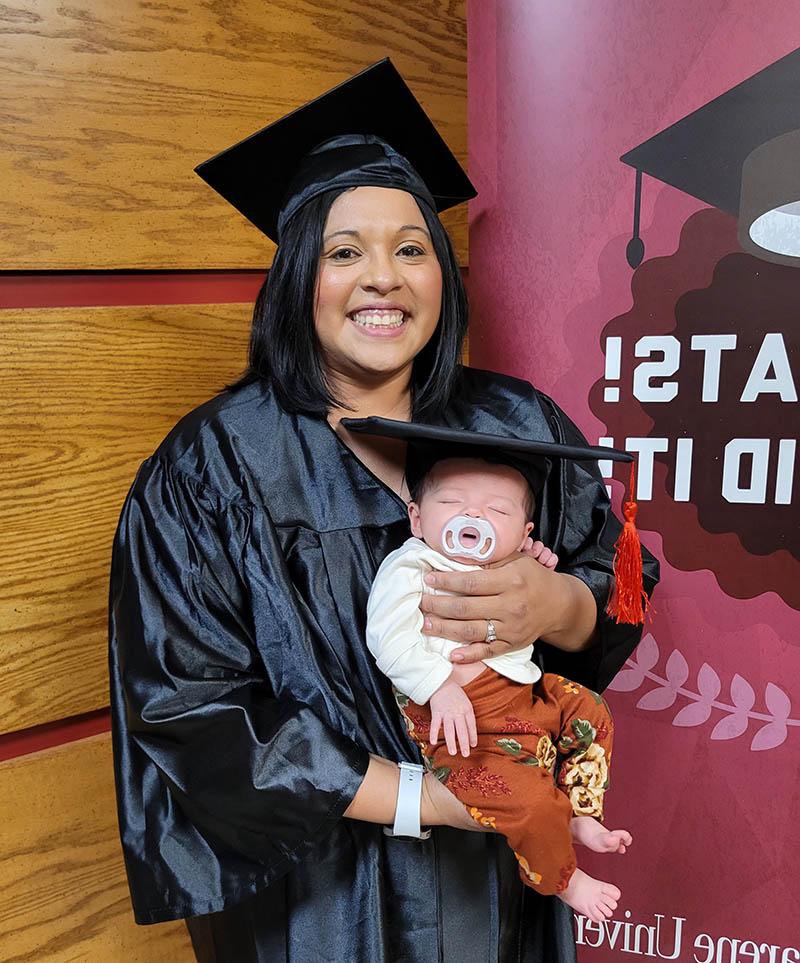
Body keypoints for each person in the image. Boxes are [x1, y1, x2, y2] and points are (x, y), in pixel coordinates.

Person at [108, 60, 659, 963]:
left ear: (441, 273)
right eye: (344, 251)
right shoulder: (213, 465)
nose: (384, 278)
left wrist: (558, 605)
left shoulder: (517, 425)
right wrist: (424, 799)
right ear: (298, 278)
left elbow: (617, 579)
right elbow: (186, 707)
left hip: (496, 880)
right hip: (320, 896)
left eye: (411, 248)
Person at [362, 436, 635, 924]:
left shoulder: (510, 562)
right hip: (461, 719)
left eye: (498, 511)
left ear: (523, 531)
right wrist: (438, 686)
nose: (474, 516)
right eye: (451, 503)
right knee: (523, 797)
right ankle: (563, 879)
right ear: (417, 518)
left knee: (589, 709)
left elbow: (533, 580)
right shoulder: (412, 567)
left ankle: (578, 810)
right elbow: (387, 634)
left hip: (525, 696)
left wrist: (539, 565)